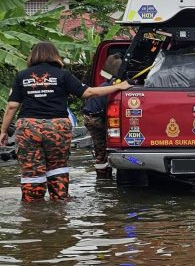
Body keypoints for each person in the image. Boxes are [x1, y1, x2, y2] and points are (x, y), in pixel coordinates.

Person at [0, 42, 131, 202]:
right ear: (54, 55)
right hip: (57, 127)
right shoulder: (62, 75)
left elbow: (12, 106)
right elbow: (88, 92)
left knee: (31, 169)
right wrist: (119, 87)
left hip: (28, 127)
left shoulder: (22, 75)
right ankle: (59, 203)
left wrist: (3, 131)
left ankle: (32, 211)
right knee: (57, 166)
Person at [82, 53, 122, 178]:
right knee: (105, 147)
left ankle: (102, 178)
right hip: (96, 119)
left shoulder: (104, 86)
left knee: (100, 148)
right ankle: (104, 175)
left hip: (89, 117)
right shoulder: (113, 88)